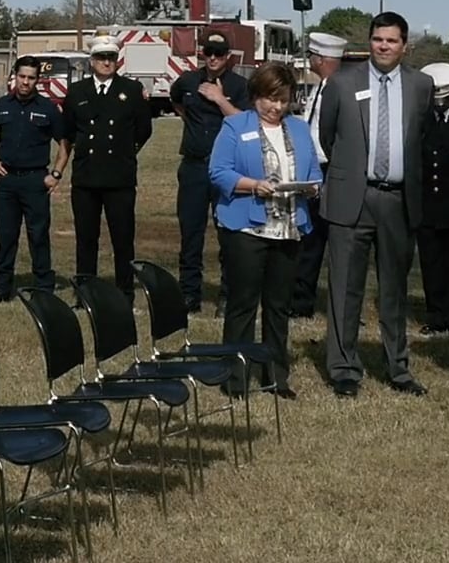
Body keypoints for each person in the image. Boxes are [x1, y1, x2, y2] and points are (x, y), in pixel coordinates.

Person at [316, 11, 432, 397]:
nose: (384, 46)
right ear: (369, 42)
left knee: (393, 290)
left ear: (404, 45)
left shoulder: (421, 85)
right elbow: (328, 137)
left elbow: (423, 141)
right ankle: (344, 367)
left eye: (392, 40)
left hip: (398, 200)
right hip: (353, 197)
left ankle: (398, 368)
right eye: (378, 39)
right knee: (345, 286)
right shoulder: (342, 83)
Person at [208, 61, 320, 399]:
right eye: (270, 99)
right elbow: (218, 172)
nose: (276, 107)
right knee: (243, 304)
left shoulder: (299, 130)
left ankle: (276, 376)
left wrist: (312, 188)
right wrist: (253, 185)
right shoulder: (234, 126)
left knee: (277, 306)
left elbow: (315, 171)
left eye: (283, 100)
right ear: (256, 95)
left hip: (287, 229)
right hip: (245, 229)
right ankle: (235, 377)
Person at [63, 34, 154, 294]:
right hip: (86, 177)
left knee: (123, 239)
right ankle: (85, 292)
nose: (106, 62)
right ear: (91, 61)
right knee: (86, 239)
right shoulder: (77, 91)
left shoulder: (131, 90)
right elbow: (69, 130)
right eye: (101, 57)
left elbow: (143, 130)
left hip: (119, 177)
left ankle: (125, 292)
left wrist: (125, 152)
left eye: (111, 58)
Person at [0, 56, 70, 302]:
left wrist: (56, 174)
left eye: (31, 78)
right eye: (22, 76)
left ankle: (43, 289)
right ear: (14, 76)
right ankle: (0, 289)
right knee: (6, 237)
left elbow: (64, 142)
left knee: (38, 236)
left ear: (37, 80)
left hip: (35, 181)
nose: (25, 82)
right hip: (7, 181)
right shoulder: (1, 105)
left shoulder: (47, 108)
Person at [170, 31, 251, 313]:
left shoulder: (240, 85)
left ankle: (228, 295)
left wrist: (219, 99)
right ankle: (189, 294)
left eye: (219, 53)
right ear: (202, 53)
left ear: (228, 56)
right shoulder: (188, 81)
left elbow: (245, 123)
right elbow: (177, 101)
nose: (214, 58)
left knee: (228, 232)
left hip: (226, 169)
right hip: (193, 166)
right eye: (209, 52)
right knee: (190, 234)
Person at [288, 31, 346, 317]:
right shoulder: (321, 86)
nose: (309, 60)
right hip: (314, 171)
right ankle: (301, 301)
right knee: (309, 238)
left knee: (324, 241)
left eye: (312, 55)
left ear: (321, 59)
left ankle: (319, 303)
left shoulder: (338, 89)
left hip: (330, 170)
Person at [415, 61, 449, 337]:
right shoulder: (421, 119)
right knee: (432, 263)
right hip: (429, 203)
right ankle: (436, 315)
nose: (439, 104)